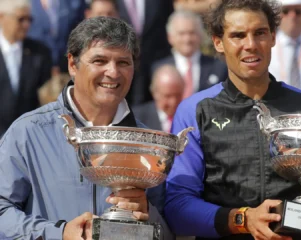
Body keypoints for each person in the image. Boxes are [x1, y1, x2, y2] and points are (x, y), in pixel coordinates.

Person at [164, 0, 301, 240]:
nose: (251, 45)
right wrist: (242, 219)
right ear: (218, 42)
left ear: (273, 37)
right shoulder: (194, 110)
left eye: (260, 33)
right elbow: (177, 205)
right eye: (238, 35)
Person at [0, 17, 173, 240]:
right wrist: (59, 234)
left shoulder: (149, 143)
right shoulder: (28, 131)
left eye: (123, 62)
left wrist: (149, 213)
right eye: (100, 61)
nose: (113, 72)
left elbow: (169, 232)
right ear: (73, 64)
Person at [0, 0, 52, 136]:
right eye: (21, 19)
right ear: (1, 17)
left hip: (28, 135)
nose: (26, 25)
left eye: (29, 19)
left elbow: (44, 99)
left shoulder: (40, 53)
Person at [153, 10, 228, 99]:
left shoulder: (219, 67)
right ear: (170, 37)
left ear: (201, 35)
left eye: (192, 33)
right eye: (182, 34)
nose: (187, 39)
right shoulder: (158, 68)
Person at [134, 65, 184, 132]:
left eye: (178, 95)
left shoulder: (190, 119)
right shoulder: (137, 119)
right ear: (155, 93)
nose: (173, 102)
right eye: (168, 96)